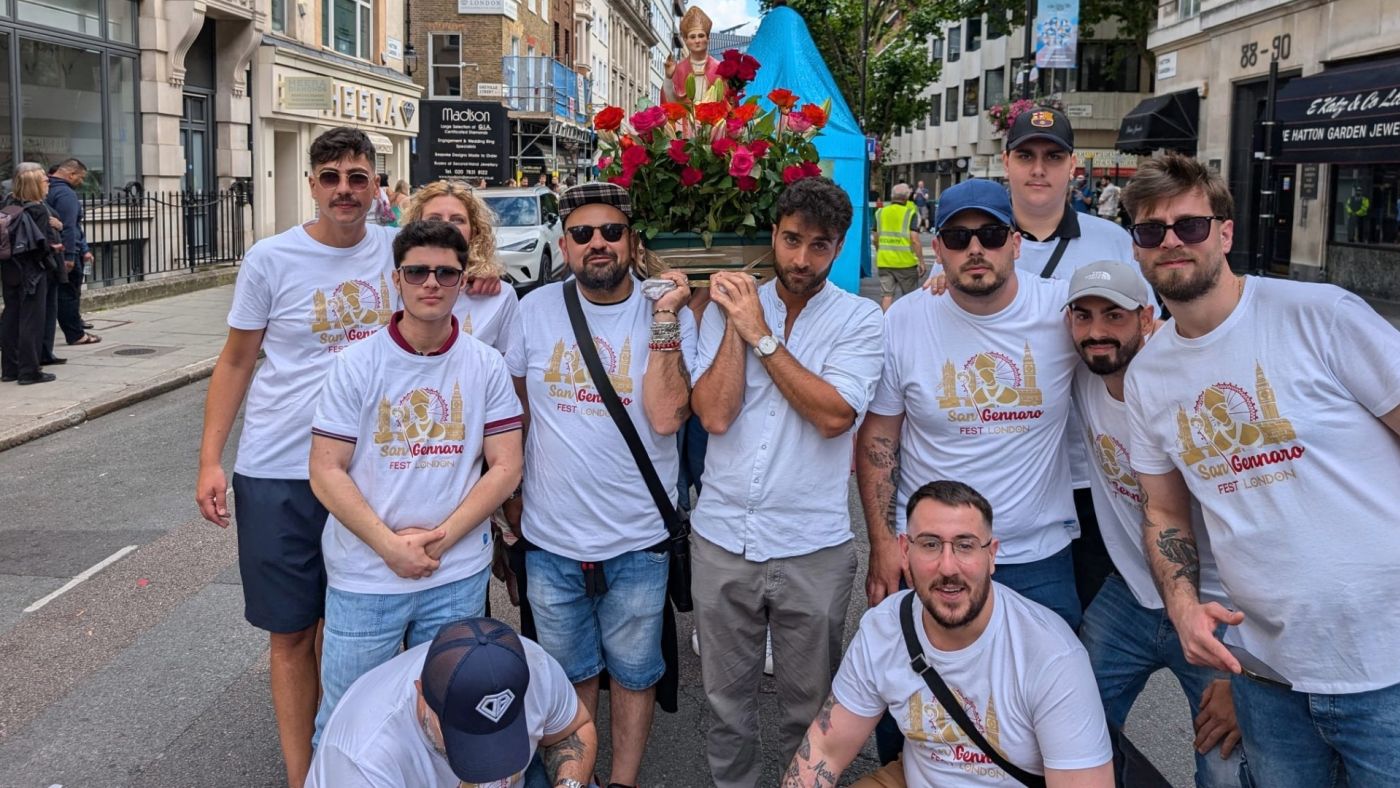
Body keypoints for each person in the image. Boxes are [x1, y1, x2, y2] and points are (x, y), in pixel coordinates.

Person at [1121, 152, 1400, 788]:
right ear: (1136, 248)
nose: (1170, 242)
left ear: (1224, 231)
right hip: (1267, 674)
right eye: (1150, 230)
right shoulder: (1148, 377)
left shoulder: (1321, 315)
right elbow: (1164, 509)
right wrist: (1185, 604)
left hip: (1386, 667)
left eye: (1189, 225)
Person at [194, 127, 399, 788]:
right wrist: (209, 461)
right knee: (290, 634)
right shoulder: (270, 260)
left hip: (371, 472)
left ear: (375, 184)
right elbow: (235, 362)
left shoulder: (400, 255)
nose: (345, 188)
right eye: (332, 176)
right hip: (278, 470)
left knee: (362, 627)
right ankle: (300, 774)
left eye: (358, 176)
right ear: (312, 184)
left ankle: (367, 757)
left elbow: (462, 282)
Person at [857, 179, 1082, 766]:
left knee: (1044, 725)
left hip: (1036, 558)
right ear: (938, 249)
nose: (974, 249)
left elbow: (1135, 336)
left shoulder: (1063, 311)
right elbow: (880, 436)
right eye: (958, 237)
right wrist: (885, 544)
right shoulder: (906, 320)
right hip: (931, 554)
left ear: (1016, 244)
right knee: (912, 710)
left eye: (989, 235)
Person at [689, 176, 883, 787]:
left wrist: (761, 336)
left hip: (813, 547)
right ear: (773, 234)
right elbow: (715, 415)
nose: (802, 259)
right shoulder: (730, 306)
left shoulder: (859, 320)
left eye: (820, 245)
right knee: (725, 706)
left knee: (811, 709)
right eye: (792, 239)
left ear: (840, 246)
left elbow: (832, 417)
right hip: (722, 537)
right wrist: (734, 324)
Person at [505, 182, 694, 788]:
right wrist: (510, 497)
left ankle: (623, 782)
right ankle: (576, 781)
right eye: (583, 234)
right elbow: (518, 409)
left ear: (631, 242)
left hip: (638, 538)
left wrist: (665, 317)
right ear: (565, 244)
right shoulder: (533, 309)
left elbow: (667, 416)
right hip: (552, 538)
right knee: (568, 675)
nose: (598, 244)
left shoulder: (666, 309)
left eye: (611, 231)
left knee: (635, 676)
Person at [307, 220, 525, 740]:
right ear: (396, 280)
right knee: (347, 720)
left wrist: (439, 541)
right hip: (365, 575)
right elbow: (325, 468)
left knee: (451, 720)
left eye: (445, 273)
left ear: (460, 279)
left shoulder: (485, 365)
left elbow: (506, 466)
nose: (431, 282)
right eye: (418, 271)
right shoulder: (355, 364)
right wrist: (389, 547)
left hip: (454, 574)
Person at [783, 480, 1113, 788]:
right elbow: (825, 750)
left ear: (992, 555)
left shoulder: (1051, 654)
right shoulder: (883, 628)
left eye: (965, 546)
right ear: (904, 551)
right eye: (929, 544)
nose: (948, 567)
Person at [1064, 260, 1244, 787]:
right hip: (1132, 595)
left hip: (1220, 607)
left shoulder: (1187, 384)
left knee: (1223, 760)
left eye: (1114, 316)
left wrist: (1250, 672)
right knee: (1067, 715)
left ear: (1145, 318)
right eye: (1084, 316)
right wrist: (940, 278)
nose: (1097, 332)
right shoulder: (1082, 371)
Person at [1001, 106, 1139, 614]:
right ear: (1007, 163)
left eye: (1053, 156)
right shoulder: (982, 240)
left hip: (1091, 473)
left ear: (1072, 166)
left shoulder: (1113, 242)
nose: (1039, 169)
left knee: (1079, 623)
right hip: (1012, 471)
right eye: (1027, 155)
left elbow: (1146, 331)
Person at [308, 617, 597, 788]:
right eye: (466, 737)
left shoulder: (533, 668)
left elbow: (574, 728)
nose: (491, 763)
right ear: (421, 694)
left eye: (502, 732)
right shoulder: (361, 763)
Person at [401, 180, 518, 356]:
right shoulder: (400, 281)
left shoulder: (500, 296)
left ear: (475, 230)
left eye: (458, 220)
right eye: (434, 219)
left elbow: (507, 367)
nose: (446, 226)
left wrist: (484, 269)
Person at [1, 163, 65, 385]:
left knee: (11, 316)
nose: (48, 183)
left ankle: (10, 368)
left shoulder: (9, 204)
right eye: (45, 181)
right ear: (35, 185)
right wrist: (55, 243)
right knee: (32, 321)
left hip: (10, 268)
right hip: (32, 271)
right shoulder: (37, 210)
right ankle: (29, 371)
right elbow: (41, 244)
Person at [46, 158, 99, 349]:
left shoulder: (48, 188)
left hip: (53, 250)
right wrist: (70, 256)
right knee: (69, 294)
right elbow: (69, 227)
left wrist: (84, 248)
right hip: (66, 251)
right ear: (71, 174)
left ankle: (76, 330)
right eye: (80, 177)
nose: (81, 182)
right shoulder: (65, 193)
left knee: (60, 294)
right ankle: (76, 334)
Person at [873, 183, 925, 311]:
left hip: (884, 262)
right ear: (907, 196)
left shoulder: (880, 212)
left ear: (891, 196)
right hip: (905, 263)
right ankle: (908, 324)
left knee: (887, 296)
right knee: (909, 297)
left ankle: (886, 323)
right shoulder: (910, 213)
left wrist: (880, 250)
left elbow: (875, 237)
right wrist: (921, 261)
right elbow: (914, 239)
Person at [662, 6, 720, 103]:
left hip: (713, 118)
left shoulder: (718, 68)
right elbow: (670, 104)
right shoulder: (678, 69)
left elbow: (729, 104)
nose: (697, 41)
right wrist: (668, 78)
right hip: (686, 118)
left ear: (708, 39)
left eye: (701, 36)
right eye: (692, 37)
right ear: (685, 40)